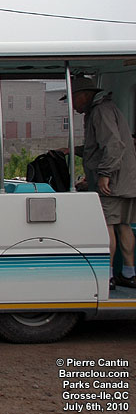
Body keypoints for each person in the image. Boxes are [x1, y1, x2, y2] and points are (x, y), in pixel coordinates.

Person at [66, 77, 136, 290]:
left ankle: (107, 276)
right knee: (124, 225)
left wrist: (104, 174)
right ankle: (129, 272)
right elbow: (99, 147)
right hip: (126, 180)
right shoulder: (109, 109)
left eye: (73, 99)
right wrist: (72, 151)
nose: (72, 106)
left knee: (107, 226)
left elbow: (113, 145)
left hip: (111, 182)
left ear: (84, 95)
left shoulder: (99, 112)